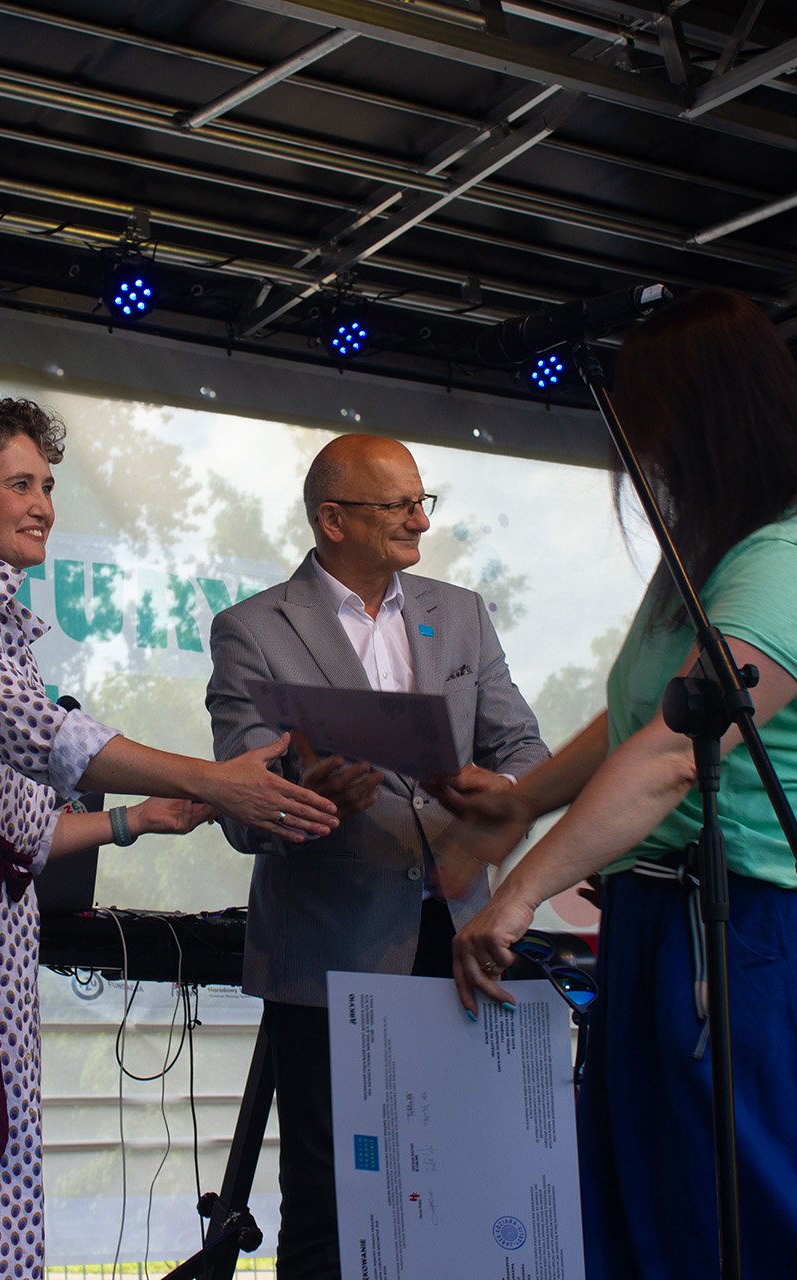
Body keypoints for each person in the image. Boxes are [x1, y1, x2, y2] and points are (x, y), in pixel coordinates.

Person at [444, 290, 797, 1278]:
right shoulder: (708, 559)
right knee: (679, 1211)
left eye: (653, 420)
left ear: (712, 416)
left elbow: (678, 746)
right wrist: (523, 796)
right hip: (673, 926)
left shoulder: (793, 557)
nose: (641, 450)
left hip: (773, 932)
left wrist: (525, 887)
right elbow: (647, 706)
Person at [0, 390, 338, 1280]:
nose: (44, 504)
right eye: (20, 483)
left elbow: (18, 827)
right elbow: (48, 737)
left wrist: (143, 818)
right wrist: (214, 778)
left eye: (47, 484)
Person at [204, 433, 550, 1279]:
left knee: (468, 1181)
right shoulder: (253, 627)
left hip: (462, 935)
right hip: (331, 950)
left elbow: (528, 753)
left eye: (424, 502)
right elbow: (244, 806)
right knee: (332, 1208)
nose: (420, 523)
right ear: (331, 519)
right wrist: (308, 791)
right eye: (398, 506)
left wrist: (495, 790)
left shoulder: (460, 610)